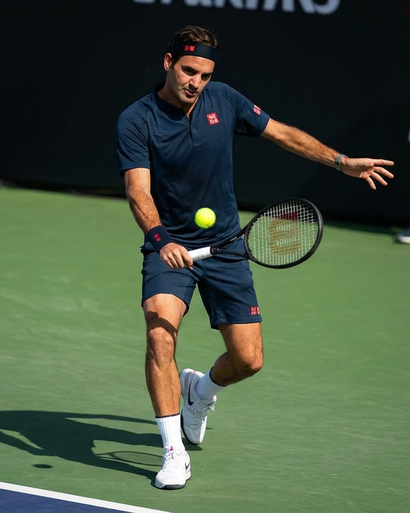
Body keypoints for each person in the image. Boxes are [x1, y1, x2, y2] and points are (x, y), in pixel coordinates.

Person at [115, 25, 394, 490]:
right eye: (188, 71)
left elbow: (282, 134)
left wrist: (342, 162)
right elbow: (137, 191)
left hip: (226, 246)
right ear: (168, 63)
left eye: (204, 75)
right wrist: (161, 239)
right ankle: (173, 452)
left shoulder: (223, 99)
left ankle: (200, 391)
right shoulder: (136, 119)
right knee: (160, 335)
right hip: (170, 246)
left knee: (248, 360)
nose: (195, 83)